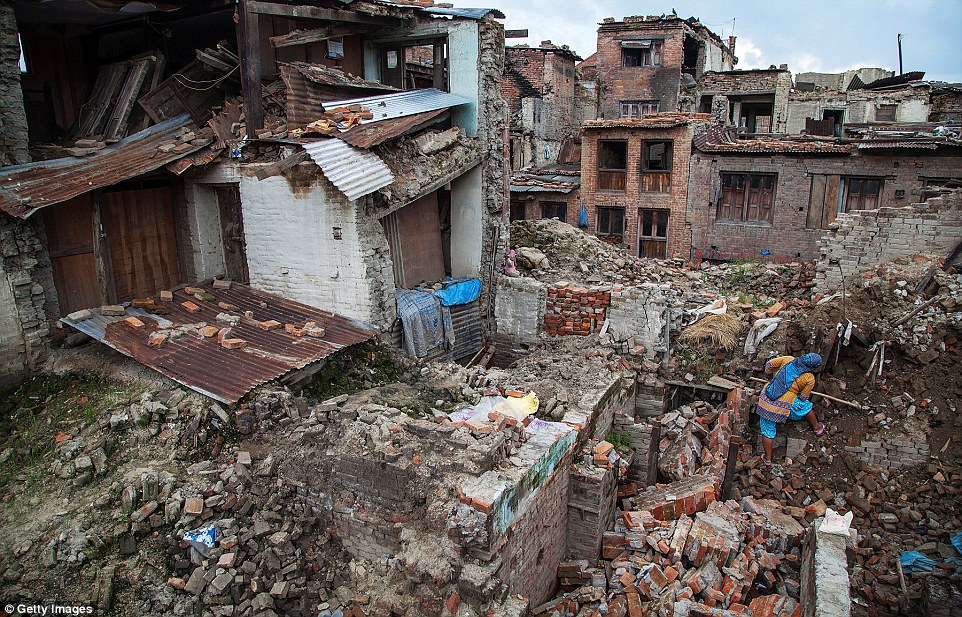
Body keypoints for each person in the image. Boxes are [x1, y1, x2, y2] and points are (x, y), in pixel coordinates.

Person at [756, 353, 827, 465]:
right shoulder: (809, 378)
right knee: (805, 407)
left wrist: (769, 377)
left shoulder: (788, 359)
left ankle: (767, 458)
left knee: (767, 431)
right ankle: (817, 428)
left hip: (766, 399)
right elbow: (803, 397)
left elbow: (769, 364)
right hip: (785, 402)